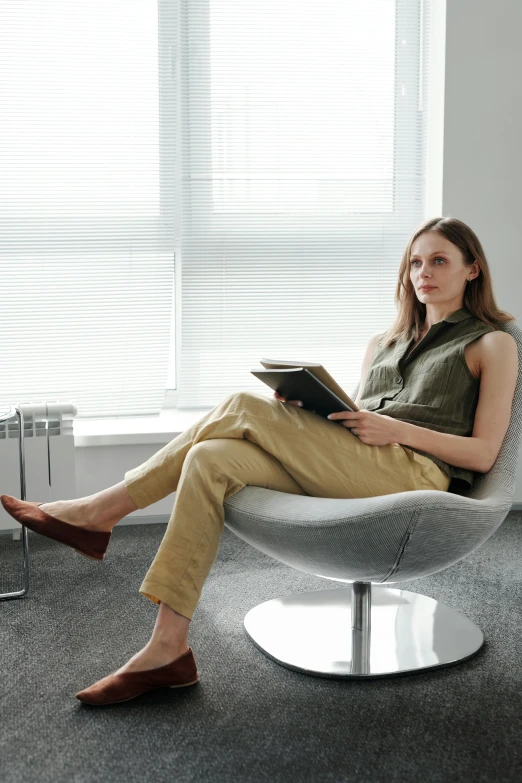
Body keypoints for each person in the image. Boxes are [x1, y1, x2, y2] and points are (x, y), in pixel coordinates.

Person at [1, 215, 518, 706]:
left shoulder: (491, 343)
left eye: (440, 261)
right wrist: (312, 411)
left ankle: (99, 512)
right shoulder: (384, 342)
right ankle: (168, 648)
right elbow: (361, 418)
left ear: (473, 268)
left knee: (241, 405)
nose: (423, 273)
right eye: (415, 263)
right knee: (209, 457)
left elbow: (484, 452)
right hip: (362, 462)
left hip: (417, 474)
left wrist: (395, 429)